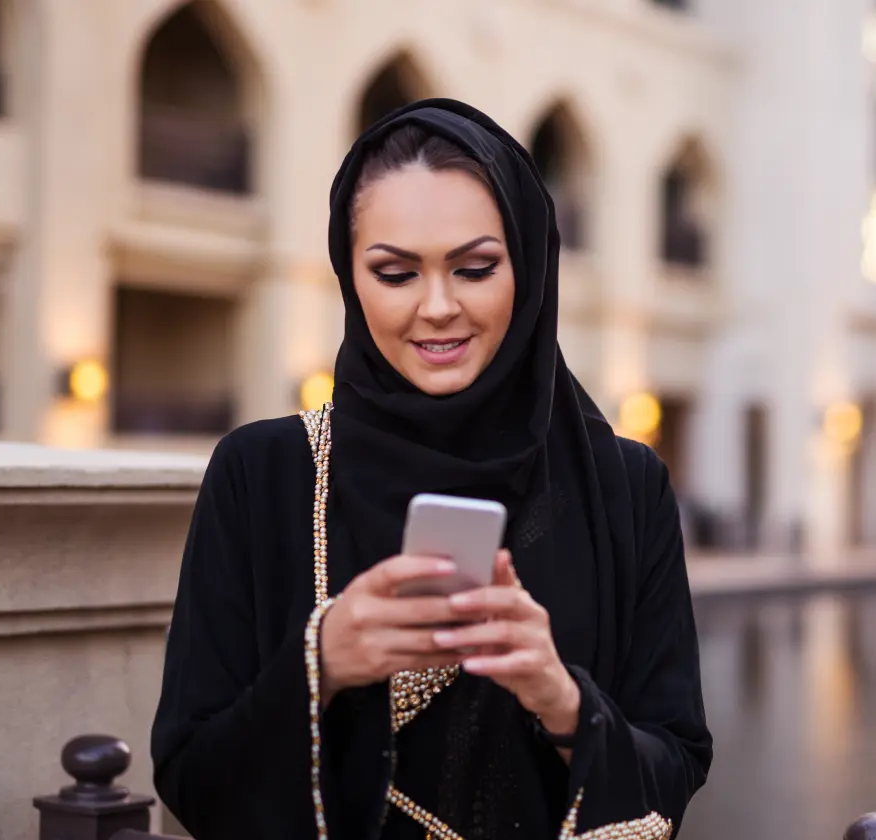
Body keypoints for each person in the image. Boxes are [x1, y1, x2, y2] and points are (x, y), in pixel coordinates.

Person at [150, 99, 713, 840]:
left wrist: (562, 701)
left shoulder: (623, 486)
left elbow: (677, 759)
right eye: (395, 273)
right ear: (351, 280)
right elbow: (191, 774)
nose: (438, 307)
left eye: (475, 268)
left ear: (530, 264)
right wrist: (322, 664)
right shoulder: (265, 474)